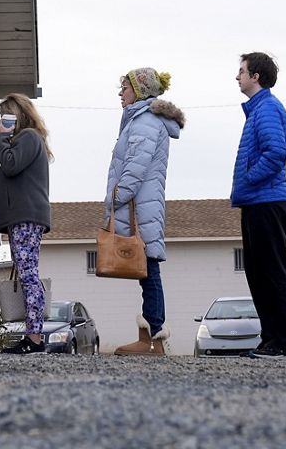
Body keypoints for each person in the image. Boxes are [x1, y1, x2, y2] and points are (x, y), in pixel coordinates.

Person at [108, 68, 185, 356]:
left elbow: (135, 167)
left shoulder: (145, 122)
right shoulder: (142, 120)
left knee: (149, 270)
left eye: (125, 87)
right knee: (146, 270)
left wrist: (117, 196)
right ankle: (151, 336)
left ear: (139, 91)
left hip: (141, 208)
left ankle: (153, 338)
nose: (120, 93)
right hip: (144, 207)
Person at [230, 52, 286, 359]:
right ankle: (270, 339)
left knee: (271, 272)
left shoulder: (267, 108)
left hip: (267, 200)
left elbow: (274, 153)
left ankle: (281, 342)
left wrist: (249, 178)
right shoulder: (257, 111)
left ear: (256, 76)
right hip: (256, 202)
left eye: (241, 71)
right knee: (257, 273)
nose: (237, 76)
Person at [0, 93, 53, 355]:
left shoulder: (28, 138)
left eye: (7, 116)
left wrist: (1, 137)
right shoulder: (28, 139)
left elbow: (10, 165)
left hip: (26, 217)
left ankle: (35, 338)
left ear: (17, 116)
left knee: (29, 275)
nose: (3, 122)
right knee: (29, 273)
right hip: (24, 216)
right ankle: (34, 335)